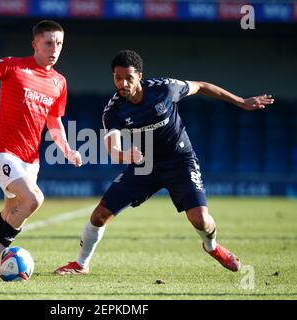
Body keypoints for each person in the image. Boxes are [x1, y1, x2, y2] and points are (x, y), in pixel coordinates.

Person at [54, 50, 274, 275]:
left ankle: (212, 247)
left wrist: (240, 102)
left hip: (180, 161)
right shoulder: (113, 110)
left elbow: (201, 86)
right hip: (145, 165)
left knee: (201, 221)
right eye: (117, 78)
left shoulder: (165, 88)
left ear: (140, 76)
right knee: (99, 215)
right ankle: (81, 265)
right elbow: (113, 149)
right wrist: (124, 156)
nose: (123, 83)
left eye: (129, 78)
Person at [0, 20, 82, 277]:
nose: (54, 48)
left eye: (59, 43)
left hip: (30, 160)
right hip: (1, 153)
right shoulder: (14, 65)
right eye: (49, 42)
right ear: (35, 44)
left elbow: (54, 121)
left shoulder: (59, 82)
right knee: (34, 199)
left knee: (12, 210)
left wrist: (67, 149)